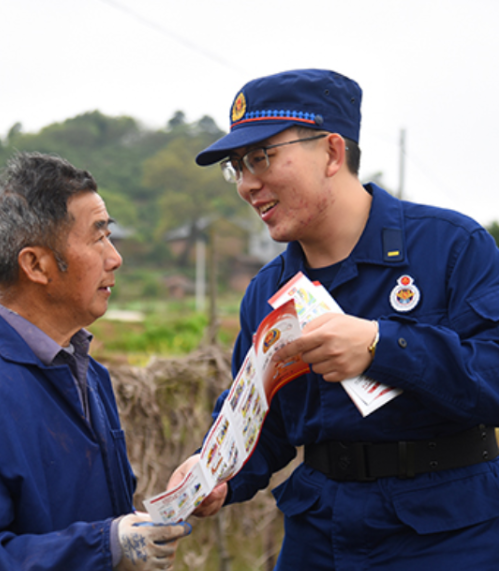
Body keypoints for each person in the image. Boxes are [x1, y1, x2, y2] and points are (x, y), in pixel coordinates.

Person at [168, 69, 499, 569]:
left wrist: (380, 346)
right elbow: (261, 421)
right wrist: (216, 472)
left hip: (448, 532)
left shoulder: (452, 247)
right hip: (321, 532)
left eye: (261, 157)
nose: (247, 184)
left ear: (332, 153)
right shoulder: (267, 293)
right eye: (237, 166)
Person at [0, 151, 191, 571]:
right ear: (36, 264)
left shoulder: (88, 375)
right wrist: (104, 547)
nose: (115, 258)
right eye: (98, 237)